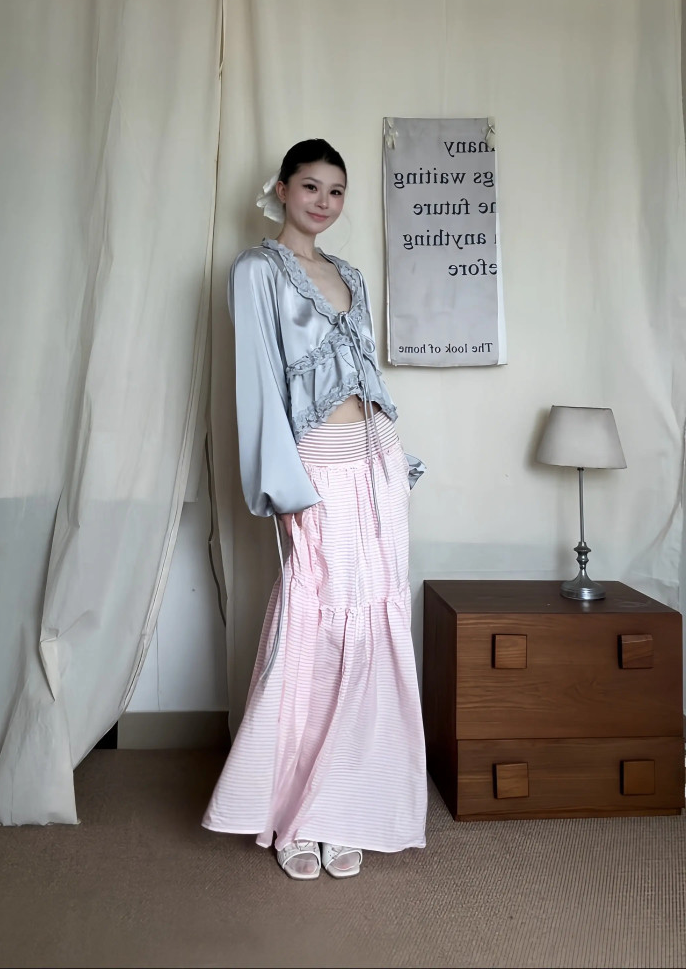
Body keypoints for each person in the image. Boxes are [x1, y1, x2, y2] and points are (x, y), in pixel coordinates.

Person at [202, 138, 427, 879]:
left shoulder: (351, 274)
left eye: (336, 190)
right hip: (317, 464)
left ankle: (347, 806)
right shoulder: (256, 271)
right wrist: (282, 483)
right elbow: (259, 381)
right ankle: (294, 810)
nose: (324, 202)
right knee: (316, 626)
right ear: (282, 189)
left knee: (377, 625)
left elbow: (366, 372)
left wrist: (395, 460)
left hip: (379, 457)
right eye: (310, 187)